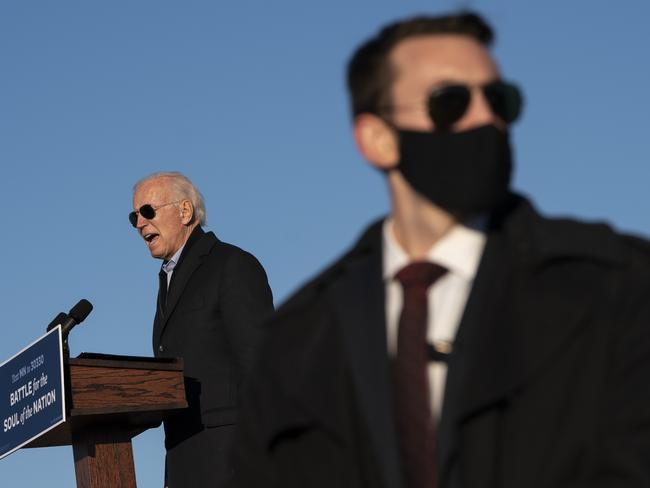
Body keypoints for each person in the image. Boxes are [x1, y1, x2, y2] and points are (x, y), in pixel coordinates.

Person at [231, 11, 650, 488]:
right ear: (377, 139)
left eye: (499, 99)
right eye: (450, 103)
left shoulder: (617, 285)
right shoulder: (299, 336)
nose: (486, 118)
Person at [130, 171, 273, 487]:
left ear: (184, 211)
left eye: (148, 211)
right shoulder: (168, 279)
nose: (140, 223)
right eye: (134, 216)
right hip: (184, 462)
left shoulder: (231, 265)